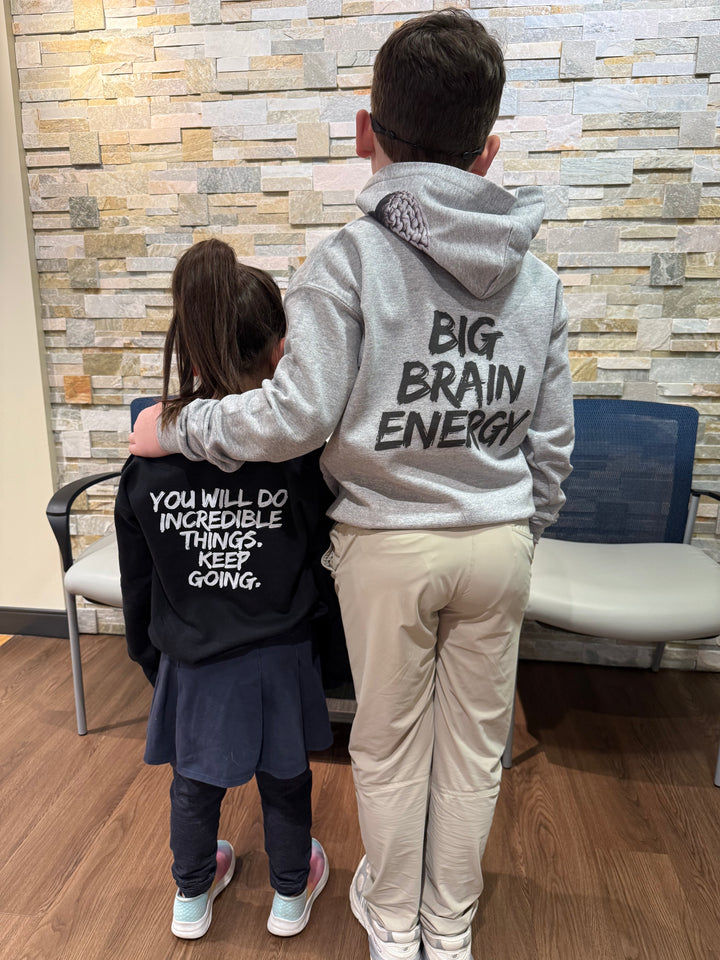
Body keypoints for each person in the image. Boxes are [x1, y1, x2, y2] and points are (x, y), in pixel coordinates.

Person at [129, 10, 574, 960]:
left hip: (388, 548)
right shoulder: (537, 281)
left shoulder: (349, 258)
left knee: (387, 746)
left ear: (367, 130)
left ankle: (394, 925)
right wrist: (519, 530)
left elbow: (293, 417)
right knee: (472, 753)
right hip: (496, 546)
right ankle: (447, 932)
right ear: (487, 151)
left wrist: (179, 424)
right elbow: (554, 441)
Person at [115, 238, 334, 942]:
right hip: (278, 653)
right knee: (286, 780)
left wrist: (155, 655)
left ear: (197, 353)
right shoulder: (301, 455)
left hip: (193, 655)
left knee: (194, 783)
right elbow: (324, 556)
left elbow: (137, 574)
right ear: (280, 353)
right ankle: (291, 896)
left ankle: (190, 897)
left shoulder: (147, 461)